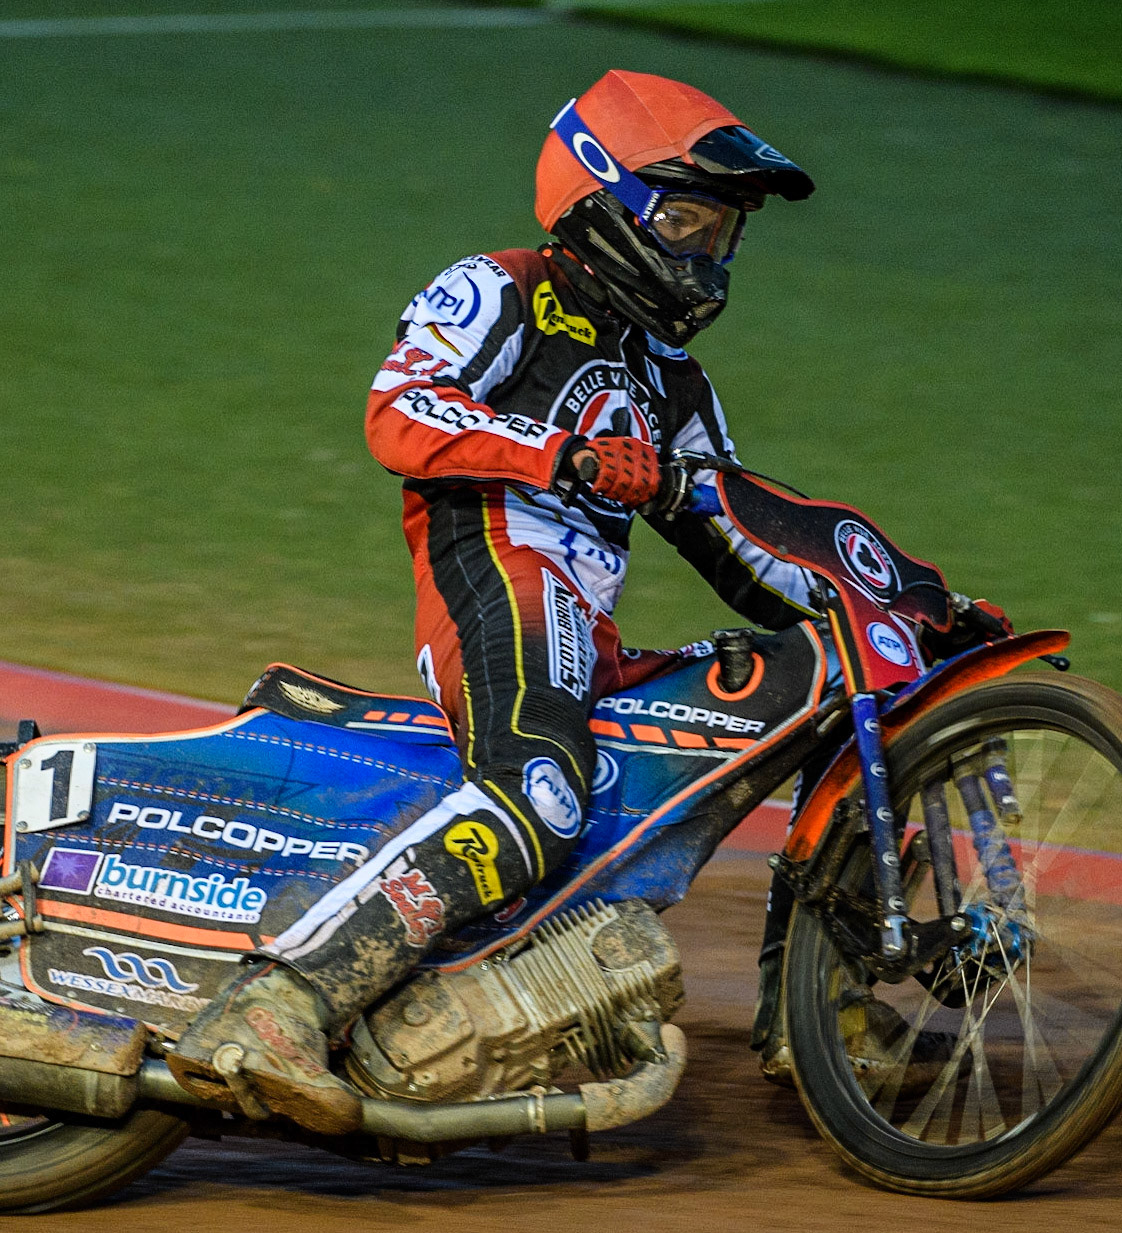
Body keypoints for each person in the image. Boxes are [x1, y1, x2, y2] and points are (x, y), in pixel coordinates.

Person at [167, 69, 823, 1134]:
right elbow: (397, 411)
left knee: (784, 686)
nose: (706, 254)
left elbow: (743, 541)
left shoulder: (674, 387)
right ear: (602, 199)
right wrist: (560, 456)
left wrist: (899, 597)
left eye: (723, 233)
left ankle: (833, 1009)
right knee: (538, 793)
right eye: (685, 220)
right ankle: (276, 1005)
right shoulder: (501, 286)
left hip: (586, 621)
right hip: (493, 563)